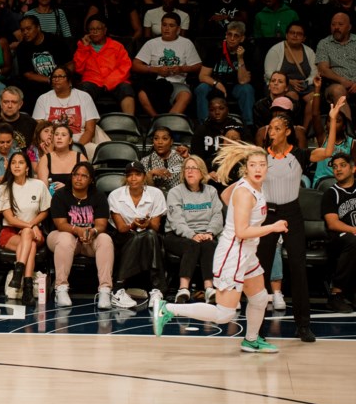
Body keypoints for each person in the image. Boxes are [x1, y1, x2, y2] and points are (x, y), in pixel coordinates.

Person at [155, 142, 289, 351]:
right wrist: (273, 227)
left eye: (262, 165)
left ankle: (251, 340)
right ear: (246, 167)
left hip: (247, 253)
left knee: (260, 297)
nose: (258, 169)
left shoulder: (250, 185)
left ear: (267, 168)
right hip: (233, 253)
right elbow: (242, 231)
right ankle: (168, 309)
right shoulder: (246, 193)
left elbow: (225, 196)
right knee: (224, 315)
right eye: (253, 165)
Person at [253, 100, 344, 343]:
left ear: (288, 131)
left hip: (292, 213)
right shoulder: (260, 157)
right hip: (268, 215)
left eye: (276, 128)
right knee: (260, 270)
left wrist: (333, 118)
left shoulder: (299, 154)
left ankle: (303, 326)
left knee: (298, 269)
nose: (271, 132)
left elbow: (327, 151)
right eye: (269, 128)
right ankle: (257, 327)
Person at [47, 161, 115, 308]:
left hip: (89, 241)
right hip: (62, 237)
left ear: (91, 180)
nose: (78, 178)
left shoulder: (98, 196)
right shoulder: (60, 195)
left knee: (105, 238)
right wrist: (78, 230)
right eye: (76, 175)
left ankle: (105, 291)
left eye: (84, 176)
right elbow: (60, 224)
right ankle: (61, 289)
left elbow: (101, 225)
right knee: (66, 238)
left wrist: (93, 231)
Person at [107, 161, 168, 309]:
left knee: (151, 234)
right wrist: (133, 225)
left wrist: (147, 224)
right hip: (124, 236)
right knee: (137, 236)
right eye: (130, 175)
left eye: (137, 174)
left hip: (149, 236)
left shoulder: (156, 194)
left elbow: (156, 226)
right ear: (126, 178)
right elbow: (121, 228)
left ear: (144, 177)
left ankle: (155, 291)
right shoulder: (115, 195)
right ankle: (119, 289)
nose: (133, 178)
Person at [165, 156, 224, 303]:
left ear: (202, 172)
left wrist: (210, 232)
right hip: (177, 235)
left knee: (208, 244)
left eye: (194, 168)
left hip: (205, 233)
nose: (190, 171)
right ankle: (183, 289)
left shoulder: (211, 191)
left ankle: (209, 288)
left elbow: (218, 216)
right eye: (187, 168)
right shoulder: (175, 192)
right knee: (193, 244)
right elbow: (176, 220)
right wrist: (192, 235)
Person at [0, 150, 52, 305]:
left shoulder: (38, 185)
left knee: (28, 235)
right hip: (10, 232)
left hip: (33, 231)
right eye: (13, 163)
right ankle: (27, 287)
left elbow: (45, 211)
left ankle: (18, 273)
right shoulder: (4, 188)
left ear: (27, 167)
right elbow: (10, 219)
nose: (16, 166)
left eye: (21, 162)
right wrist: (31, 226)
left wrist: (32, 226)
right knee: (30, 242)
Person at [133, 12, 203, 117]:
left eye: (171, 26)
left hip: (178, 84)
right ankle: (156, 119)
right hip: (156, 83)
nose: (166, 28)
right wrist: (156, 70)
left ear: (178, 29)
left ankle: (168, 121)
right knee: (142, 94)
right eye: (164, 25)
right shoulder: (151, 43)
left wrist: (181, 69)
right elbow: (135, 65)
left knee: (185, 95)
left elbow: (198, 66)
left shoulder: (186, 43)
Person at [33, 67, 100, 159]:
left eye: (60, 76)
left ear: (70, 81)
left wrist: (77, 148)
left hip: (80, 143)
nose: (56, 79)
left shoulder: (84, 97)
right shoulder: (43, 99)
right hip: (52, 145)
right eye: (54, 77)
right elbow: (40, 128)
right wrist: (53, 146)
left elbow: (90, 130)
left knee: (94, 149)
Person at [195, 21, 254, 125]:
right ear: (225, 35)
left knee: (247, 89)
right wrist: (217, 84)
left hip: (236, 86)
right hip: (215, 85)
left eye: (236, 36)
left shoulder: (248, 52)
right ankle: (204, 124)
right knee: (201, 88)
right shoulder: (215, 49)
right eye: (229, 34)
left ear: (242, 38)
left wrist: (240, 58)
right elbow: (202, 76)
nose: (232, 38)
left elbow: (243, 80)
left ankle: (248, 125)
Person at [73, 16, 135, 115]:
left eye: (98, 29)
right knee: (83, 89)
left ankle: (130, 121)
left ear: (105, 30)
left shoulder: (117, 46)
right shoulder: (82, 46)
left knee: (126, 88)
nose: (95, 32)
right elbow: (78, 69)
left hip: (115, 80)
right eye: (92, 29)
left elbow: (125, 67)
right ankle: (86, 123)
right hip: (92, 81)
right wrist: (84, 48)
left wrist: (108, 82)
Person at [321, 153, 356, 312]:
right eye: (335, 167)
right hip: (337, 239)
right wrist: (354, 230)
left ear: (353, 168)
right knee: (352, 240)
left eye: (342, 165)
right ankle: (336, 295)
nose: (338, 169)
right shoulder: (331, 193)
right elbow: (332, 223)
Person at [316, 12, 356, 123]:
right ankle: (349, 135)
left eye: (340, 24)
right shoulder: (324, 44)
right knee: (338, 90)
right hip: (334, 86)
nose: (336, 27)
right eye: (333, 25)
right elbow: (323, 70)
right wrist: (342, 80)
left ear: (349, 27)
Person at [37, 122, 87, 196]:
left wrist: (67, 188)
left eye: (63, 135)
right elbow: (43, 189)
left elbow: (87, 186)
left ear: (70, 141)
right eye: (56, 134)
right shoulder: (45, 159)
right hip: (53, 201)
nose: (59, 137)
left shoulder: (80, 158)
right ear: (53, 139)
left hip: (75, 200)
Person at [141, 126, 186, 193]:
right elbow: (142, 189)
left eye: (165, 138)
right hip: (155, 200)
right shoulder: (145, 161)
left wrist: (187, 158)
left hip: (179, 198)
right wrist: (150, 174)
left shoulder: (181, 158)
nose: (160, 142)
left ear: (171, 141)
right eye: (156, 138)